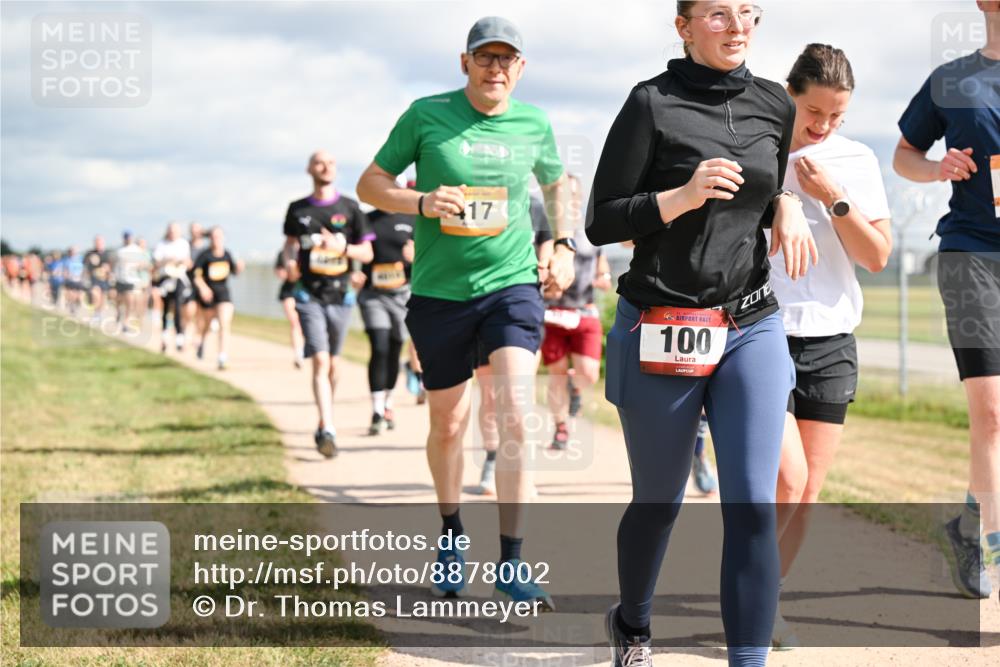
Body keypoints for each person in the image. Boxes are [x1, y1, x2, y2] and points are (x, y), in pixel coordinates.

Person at [587, 2, 819, 665]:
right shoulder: (651, 103)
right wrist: (680, 197)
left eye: (747, 12)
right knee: (660, 501)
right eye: (718, 14)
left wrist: (787, 204)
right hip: (663, 321)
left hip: (750, 321)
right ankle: (632, 624)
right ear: (684, 27)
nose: (737, 26)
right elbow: (602, 220)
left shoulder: (774, 103)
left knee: (751, 504)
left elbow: (766, 186)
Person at [356, 16, 575, 608]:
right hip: (440, 293)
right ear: (465, 62)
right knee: (449, 424)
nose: (495, 68)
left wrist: (561, 244)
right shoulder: (426, 115)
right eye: (485, 57)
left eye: (507, 59)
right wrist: (422, 201)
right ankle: (451, 534)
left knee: (515, 414)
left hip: (512, 286)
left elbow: (557, 185)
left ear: (520, 68)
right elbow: (370, 184)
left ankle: (512, 560)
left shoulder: (534, 123)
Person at [764, 44, 892, 649]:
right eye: (814, 112)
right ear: (789, 95)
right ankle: (749, 588)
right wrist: (783, 196)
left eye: (836, 116)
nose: (823, 126)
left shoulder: (855, 159)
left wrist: (832, 196)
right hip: (761, 334)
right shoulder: (757, 147)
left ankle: (764, 598)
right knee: (783, 482)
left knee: (808, 491)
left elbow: (875, 256)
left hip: (831, 341)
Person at [893, 0, 1000, 601]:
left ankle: (966, 523)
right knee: (992, 414)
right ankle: (994, 553)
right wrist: (938, 168)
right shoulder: (953, 80)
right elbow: (903, 155)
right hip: (972, 256)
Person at [283, 150, 374, 458]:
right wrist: (289, 263)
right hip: (309, 295)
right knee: (320, 361)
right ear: (309, 169)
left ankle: (325, 418)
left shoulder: (350, 207)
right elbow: (289, 245)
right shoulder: (298, 209)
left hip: (342, 296)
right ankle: (329, 430)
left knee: (334, 364)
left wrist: (341, 248)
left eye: (331, 162)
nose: (326, 167)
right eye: (319, 162)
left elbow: (367, 253)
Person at [473, 198, 554, 495]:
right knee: (490, 395)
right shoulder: (480, 199)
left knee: (520, 395)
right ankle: (492, 457)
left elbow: (547, 239)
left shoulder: (533, 205)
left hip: (521, 305)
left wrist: (544, 264)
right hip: (480, 305)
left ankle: (523, 471)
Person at [541, 175, 612, 450]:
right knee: (556, 374)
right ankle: (560, 429)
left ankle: (576, 387)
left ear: (579, 198)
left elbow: (602, 270)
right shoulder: (548, 232)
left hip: (584, 312)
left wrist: (603, 278)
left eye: (572, 195)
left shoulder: (591, 232)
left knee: (589, 374)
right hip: (553, 313)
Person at [357, 195, 416, 435]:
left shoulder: (412, 219)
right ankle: (376, 410)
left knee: (394, 347)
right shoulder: (366, 219)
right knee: (379, 346)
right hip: (373, 295)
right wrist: (354, 274)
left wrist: (416, 256)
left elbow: (428, 257)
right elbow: (356, 250)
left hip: (402, 295)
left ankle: (389, 403)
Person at [193, 227, 243, 370]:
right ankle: (202, 341)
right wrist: (203, 288)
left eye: (219, 236)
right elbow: (196, 276)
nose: (217, 239)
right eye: (214, 236)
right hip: (208, 295)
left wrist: (239, 268)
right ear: (210, 238)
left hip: (223, 294)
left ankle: (222, 357)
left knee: (224, 323)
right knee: (208, 325)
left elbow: (234, 272)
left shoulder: (227, 254)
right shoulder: (204, 255)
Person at [153, 222, 193, 353]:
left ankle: (179, 338)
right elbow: (157, 262)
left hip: (179, 278)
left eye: (175, 231)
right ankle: (164, 337)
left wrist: (182, 262)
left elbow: (188, 262)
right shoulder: (161, 244)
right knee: (166, 308)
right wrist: (168, 260)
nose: (173, 233)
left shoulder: (183, 244)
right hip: (165, 278)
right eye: (171, 231)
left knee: (177, 305)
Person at [113, 230, 150, 334]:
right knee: (119, 300)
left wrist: (141, 266)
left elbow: (145, 263)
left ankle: (126, 322)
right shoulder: (119, 251)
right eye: (126, 237)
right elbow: (114, 264)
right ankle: (119, 313)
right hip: (120, 279)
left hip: (131, 280)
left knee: (130, 301)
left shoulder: (137, 250)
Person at [274, 248, 305, 368]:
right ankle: (298, 354)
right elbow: (279, 272)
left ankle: (305, 350)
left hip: (306, 292)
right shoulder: (284, 253)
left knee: (304, 324)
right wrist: (291, 272)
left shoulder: (308, 250)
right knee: (295, 323)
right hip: (289, 292)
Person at [83, 235, 113, 323]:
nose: (99, 244)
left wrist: (107, 270)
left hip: (104, 279)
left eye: (100, 242)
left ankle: (99, 314)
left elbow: (109, 267)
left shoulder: (106, 254)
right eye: (97, 242)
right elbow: (85, 265)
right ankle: (95, 314)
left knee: (103, 297)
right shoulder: (90, 253)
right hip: (93, 278)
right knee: (95, 293)